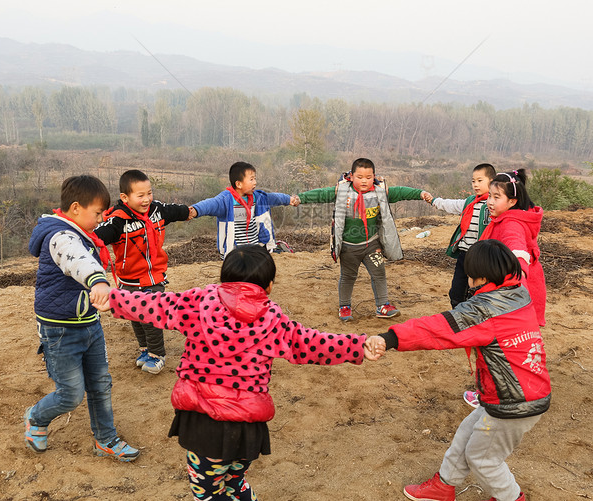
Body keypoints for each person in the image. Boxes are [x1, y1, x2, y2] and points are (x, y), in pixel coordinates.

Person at [94, 245, 366, 500]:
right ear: (269, 285)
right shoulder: (273, 321)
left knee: (207, 493)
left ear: (224, 279)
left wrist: (115, 299)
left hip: (203, 424)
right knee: (237, 482)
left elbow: (156, 305)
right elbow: (313, 344)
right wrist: (359, 345)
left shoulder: (198, 303)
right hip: (247, 426)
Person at [364, 239, 550, 501]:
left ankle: (511, 497)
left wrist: (390, 338)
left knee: (483, 459)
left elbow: (439, 329)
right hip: (521, 389)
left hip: (513, 401)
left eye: (469, 274)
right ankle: (443, 485)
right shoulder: (518, 292)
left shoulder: (485, 310)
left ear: (481, 277)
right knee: (466, 432)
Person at [24, 175, 139, 461]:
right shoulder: (60, 237)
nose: (102, 219)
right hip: (60, 330)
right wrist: (98, 281)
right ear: (76, 208)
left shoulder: (83, 234)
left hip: (88, 324)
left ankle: (106, 439)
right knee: (70, 394)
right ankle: (36, 417)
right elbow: (78, 260)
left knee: (100, 384)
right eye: (98, 213)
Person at [296, 157, 432, 321]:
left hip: (371, 245)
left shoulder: (379, 191)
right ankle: (344, 306)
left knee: (379, 273)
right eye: (359, 177)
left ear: (374, 176)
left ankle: (382, 306)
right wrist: (301, 198)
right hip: (348, 247)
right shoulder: (342, 191)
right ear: (352, 176)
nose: (364, 181)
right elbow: (320, 194)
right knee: (348, 277)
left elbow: (400, 192)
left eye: (368, 177)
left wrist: (420, 193)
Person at [95, 169, 194, 374]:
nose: (147, 199)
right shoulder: (117, 220)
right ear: (125, 197)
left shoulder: (157, 210)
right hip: (127, 278)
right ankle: (145, 349)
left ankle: (158, 354)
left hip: (153, 277)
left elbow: (177, 211)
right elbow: (100, 236)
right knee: (133, 314)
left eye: (149, 193)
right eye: (140, 195)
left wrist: (190, 212)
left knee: (151, 315)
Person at [480, 169, 547, 327]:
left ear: (512, 201)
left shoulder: (511, 224)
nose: (490, 201)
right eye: (489, 195)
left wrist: (519, 277)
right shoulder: (505, 217)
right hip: (511, 288)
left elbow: (517, 250)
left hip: (516, 290)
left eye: (497, 197)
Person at [190, 161, 299, 256]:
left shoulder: (257, 198)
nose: (255, 182)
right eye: (251, 179)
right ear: (239, 184)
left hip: (255, 248)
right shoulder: (226, 200)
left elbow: (274, 198)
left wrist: (289, 199)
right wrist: (195, 210)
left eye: (255, 179)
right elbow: (209, 205)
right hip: (234, 252)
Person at [426, 163, 496, 308]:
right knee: (456, 291)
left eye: (480, 180)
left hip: (482, 257)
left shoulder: (493, 204)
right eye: (473, 181)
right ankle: (459, 312)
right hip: (464, 254)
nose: (475, 184)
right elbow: (452, 205)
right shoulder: (469, 202)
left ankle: (473, 315)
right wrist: (435, 201)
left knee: (478, 290)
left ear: (492, 181)